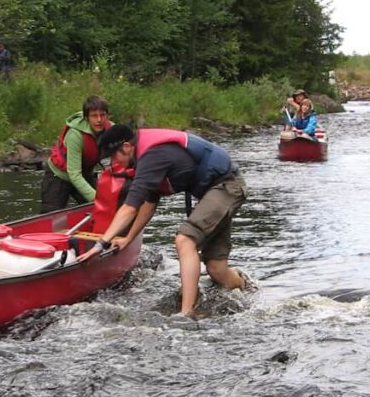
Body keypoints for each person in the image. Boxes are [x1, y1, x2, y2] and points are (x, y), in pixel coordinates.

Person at [79, 124, 250, 317]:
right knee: (216, 270)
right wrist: (127, 239)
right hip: (215, 192)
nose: (113, 161)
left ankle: (186, 313)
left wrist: (100, 244)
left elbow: (129, 207)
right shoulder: (146, 158)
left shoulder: (153, 156)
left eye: (112, 155)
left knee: (184, 240)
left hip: (227, 187)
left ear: (126, 147)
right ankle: (245, 286)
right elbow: (148, 205)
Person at [40, 95, 113, 213]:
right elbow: (74, 174)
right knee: (50, 215)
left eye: (102, 115)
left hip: (85, 173)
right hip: (59, 176)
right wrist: (97, 198)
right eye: (94, 116)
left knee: (104, 208)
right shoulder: (75, 135)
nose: (99, 120)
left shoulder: (112, 130)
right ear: (86, 118)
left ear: (107, 116)